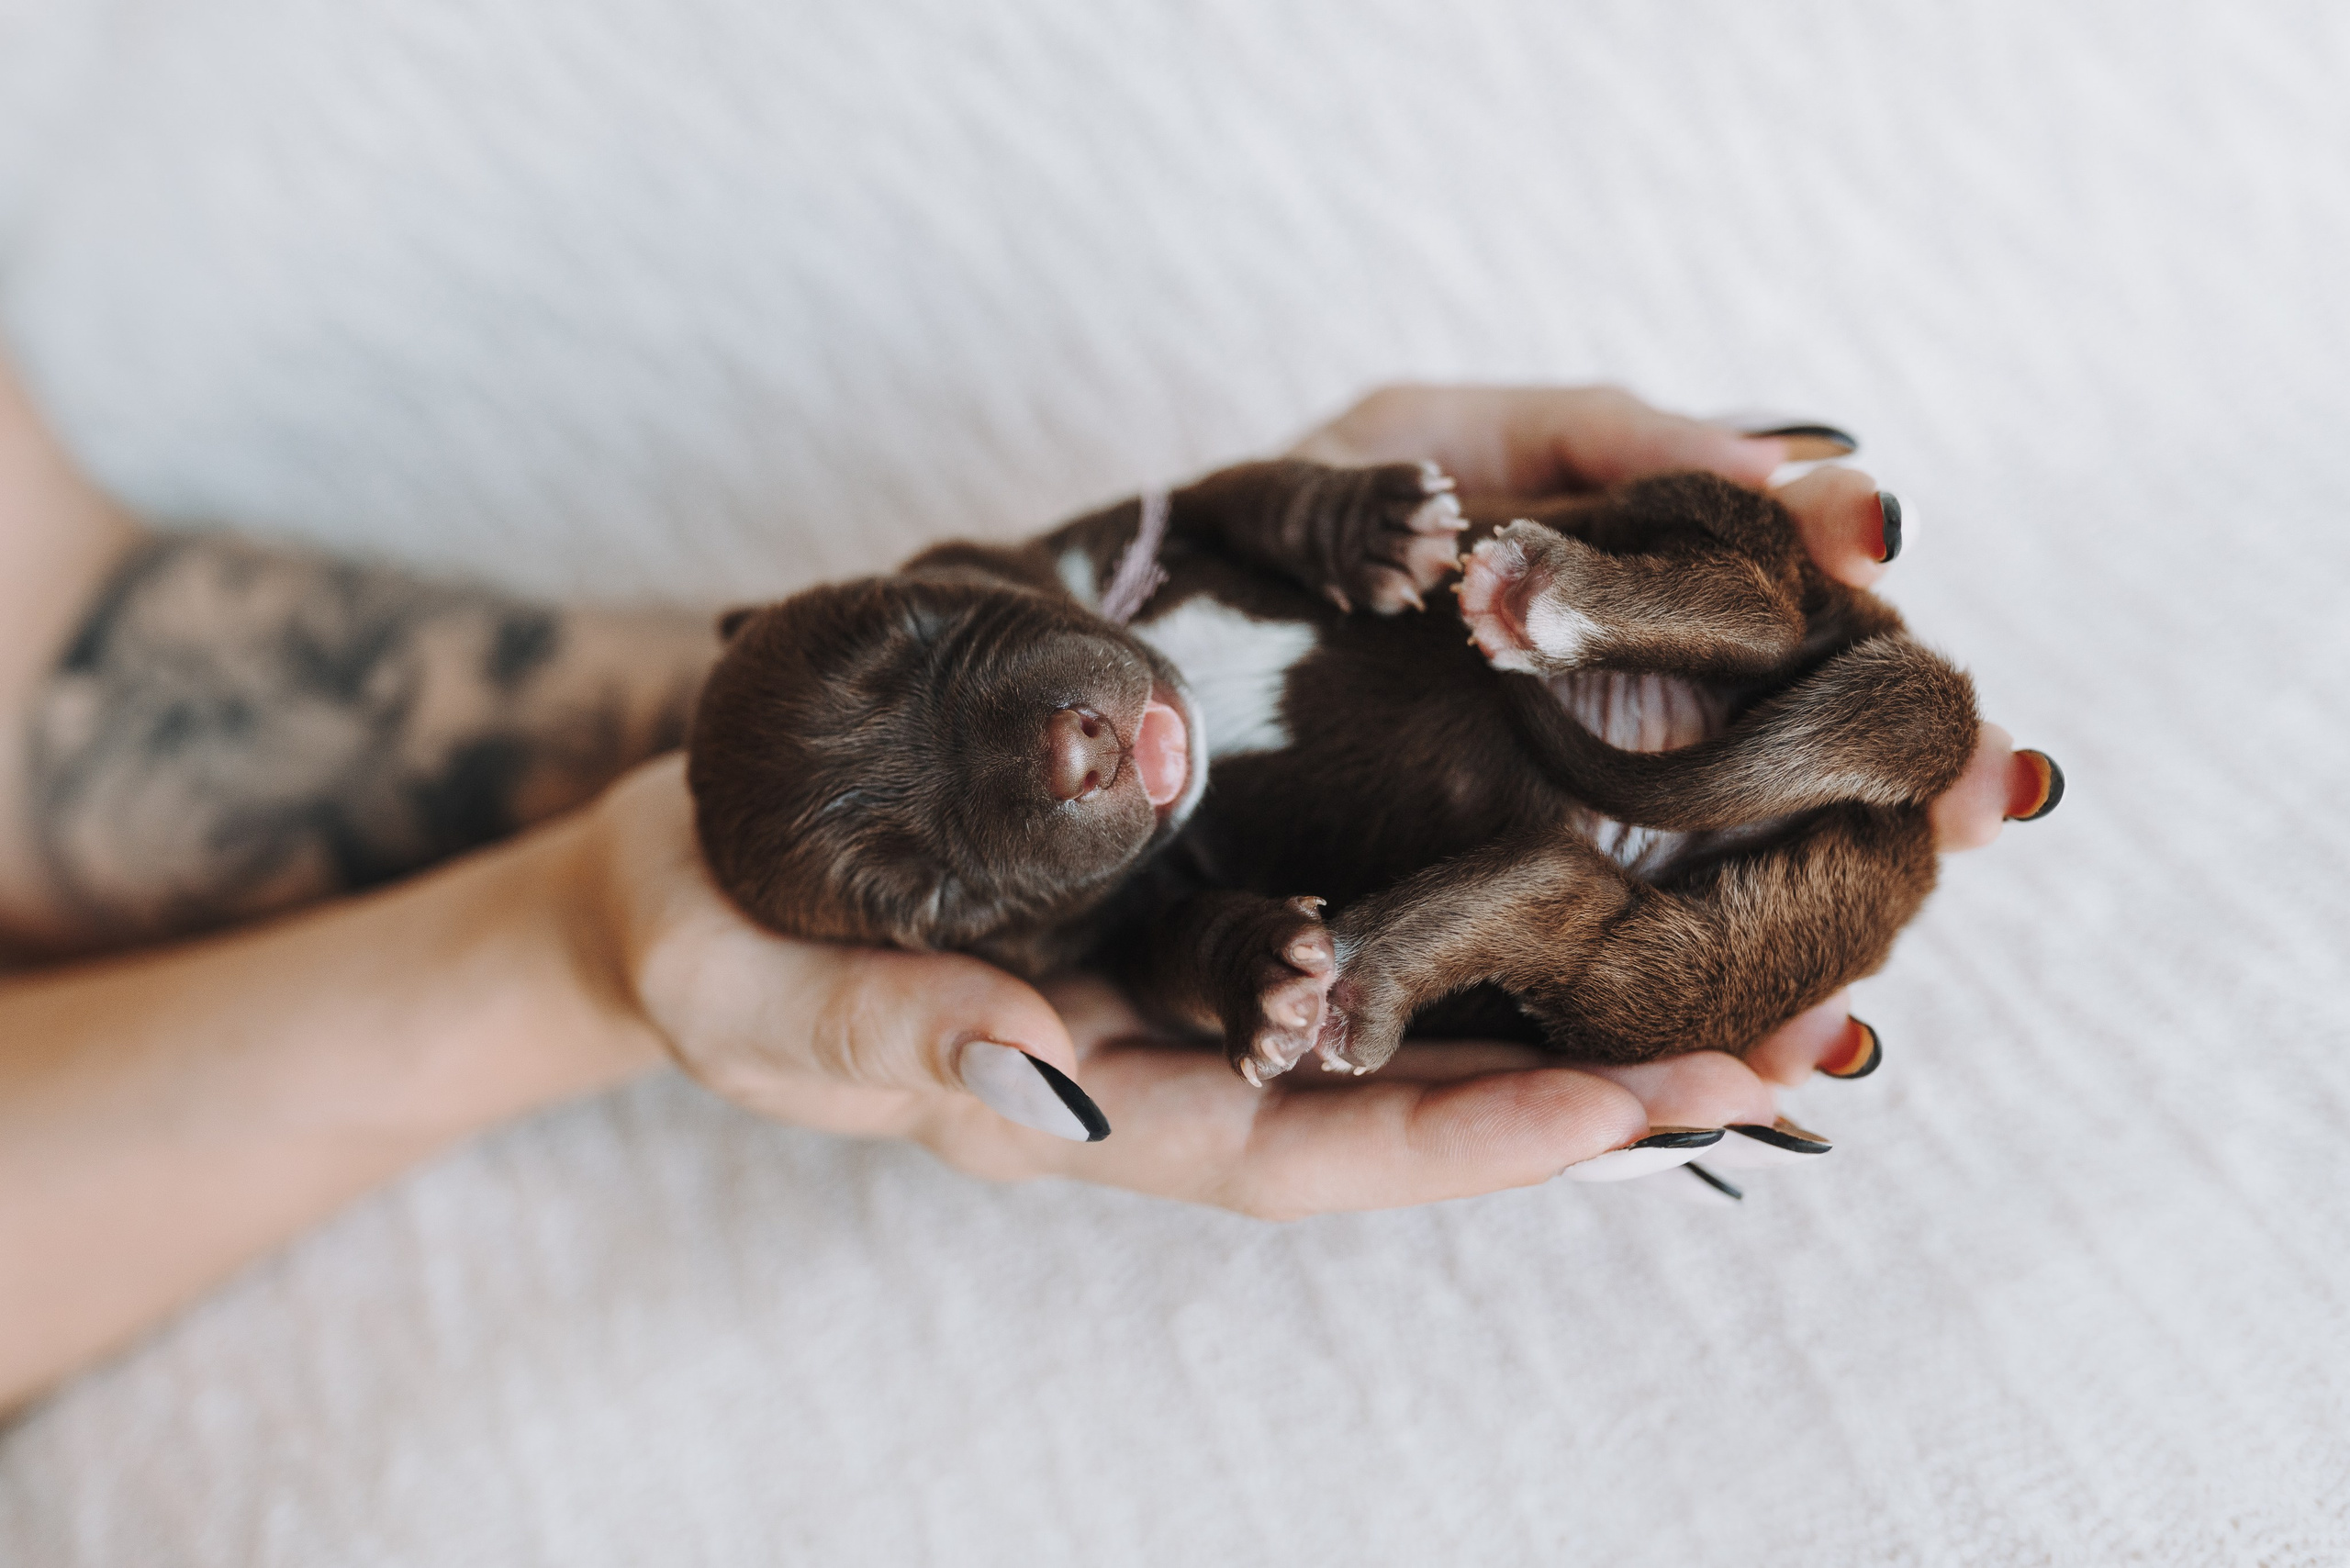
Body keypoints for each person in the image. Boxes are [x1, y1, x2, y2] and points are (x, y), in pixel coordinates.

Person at [0, 351, 2024, 1411]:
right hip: (1592, 895)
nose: (1053, 743)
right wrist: (585, 945)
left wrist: (1288, 524)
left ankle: (1598, 612)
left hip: (1653, 651)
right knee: (1584, 947)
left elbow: (53, 651)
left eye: (938, 645)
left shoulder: (1077, 600)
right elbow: (1179, 922)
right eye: (929, 844)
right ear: (965, 933)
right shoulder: (1079, 906)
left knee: (1790, 626)